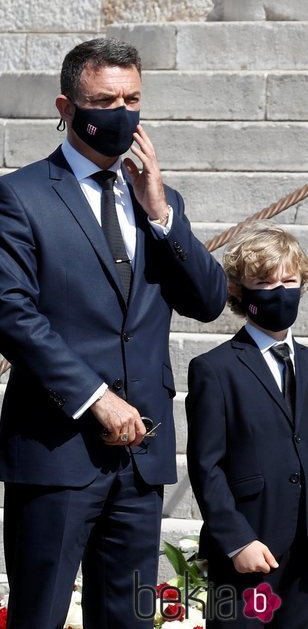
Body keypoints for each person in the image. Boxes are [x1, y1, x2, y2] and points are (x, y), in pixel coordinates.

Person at [0, 37, 227, 628]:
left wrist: (163, 215)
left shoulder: (158, 201)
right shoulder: (17, 197)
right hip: (57, 452)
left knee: (129, 618)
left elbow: (210, 300)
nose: (122, 114)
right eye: (105, 101)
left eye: (132, 99)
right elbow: (11, 313)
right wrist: (95, 398)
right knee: (39, 615)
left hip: (141, 455)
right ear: (67, 108)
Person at [187, 222, 308, 627]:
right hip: (251, 549)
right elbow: (206, 466)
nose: (280, 291)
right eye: (264, 282)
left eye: (289, 280)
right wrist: (237, 540)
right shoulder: (214, 369)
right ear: (239, 291)